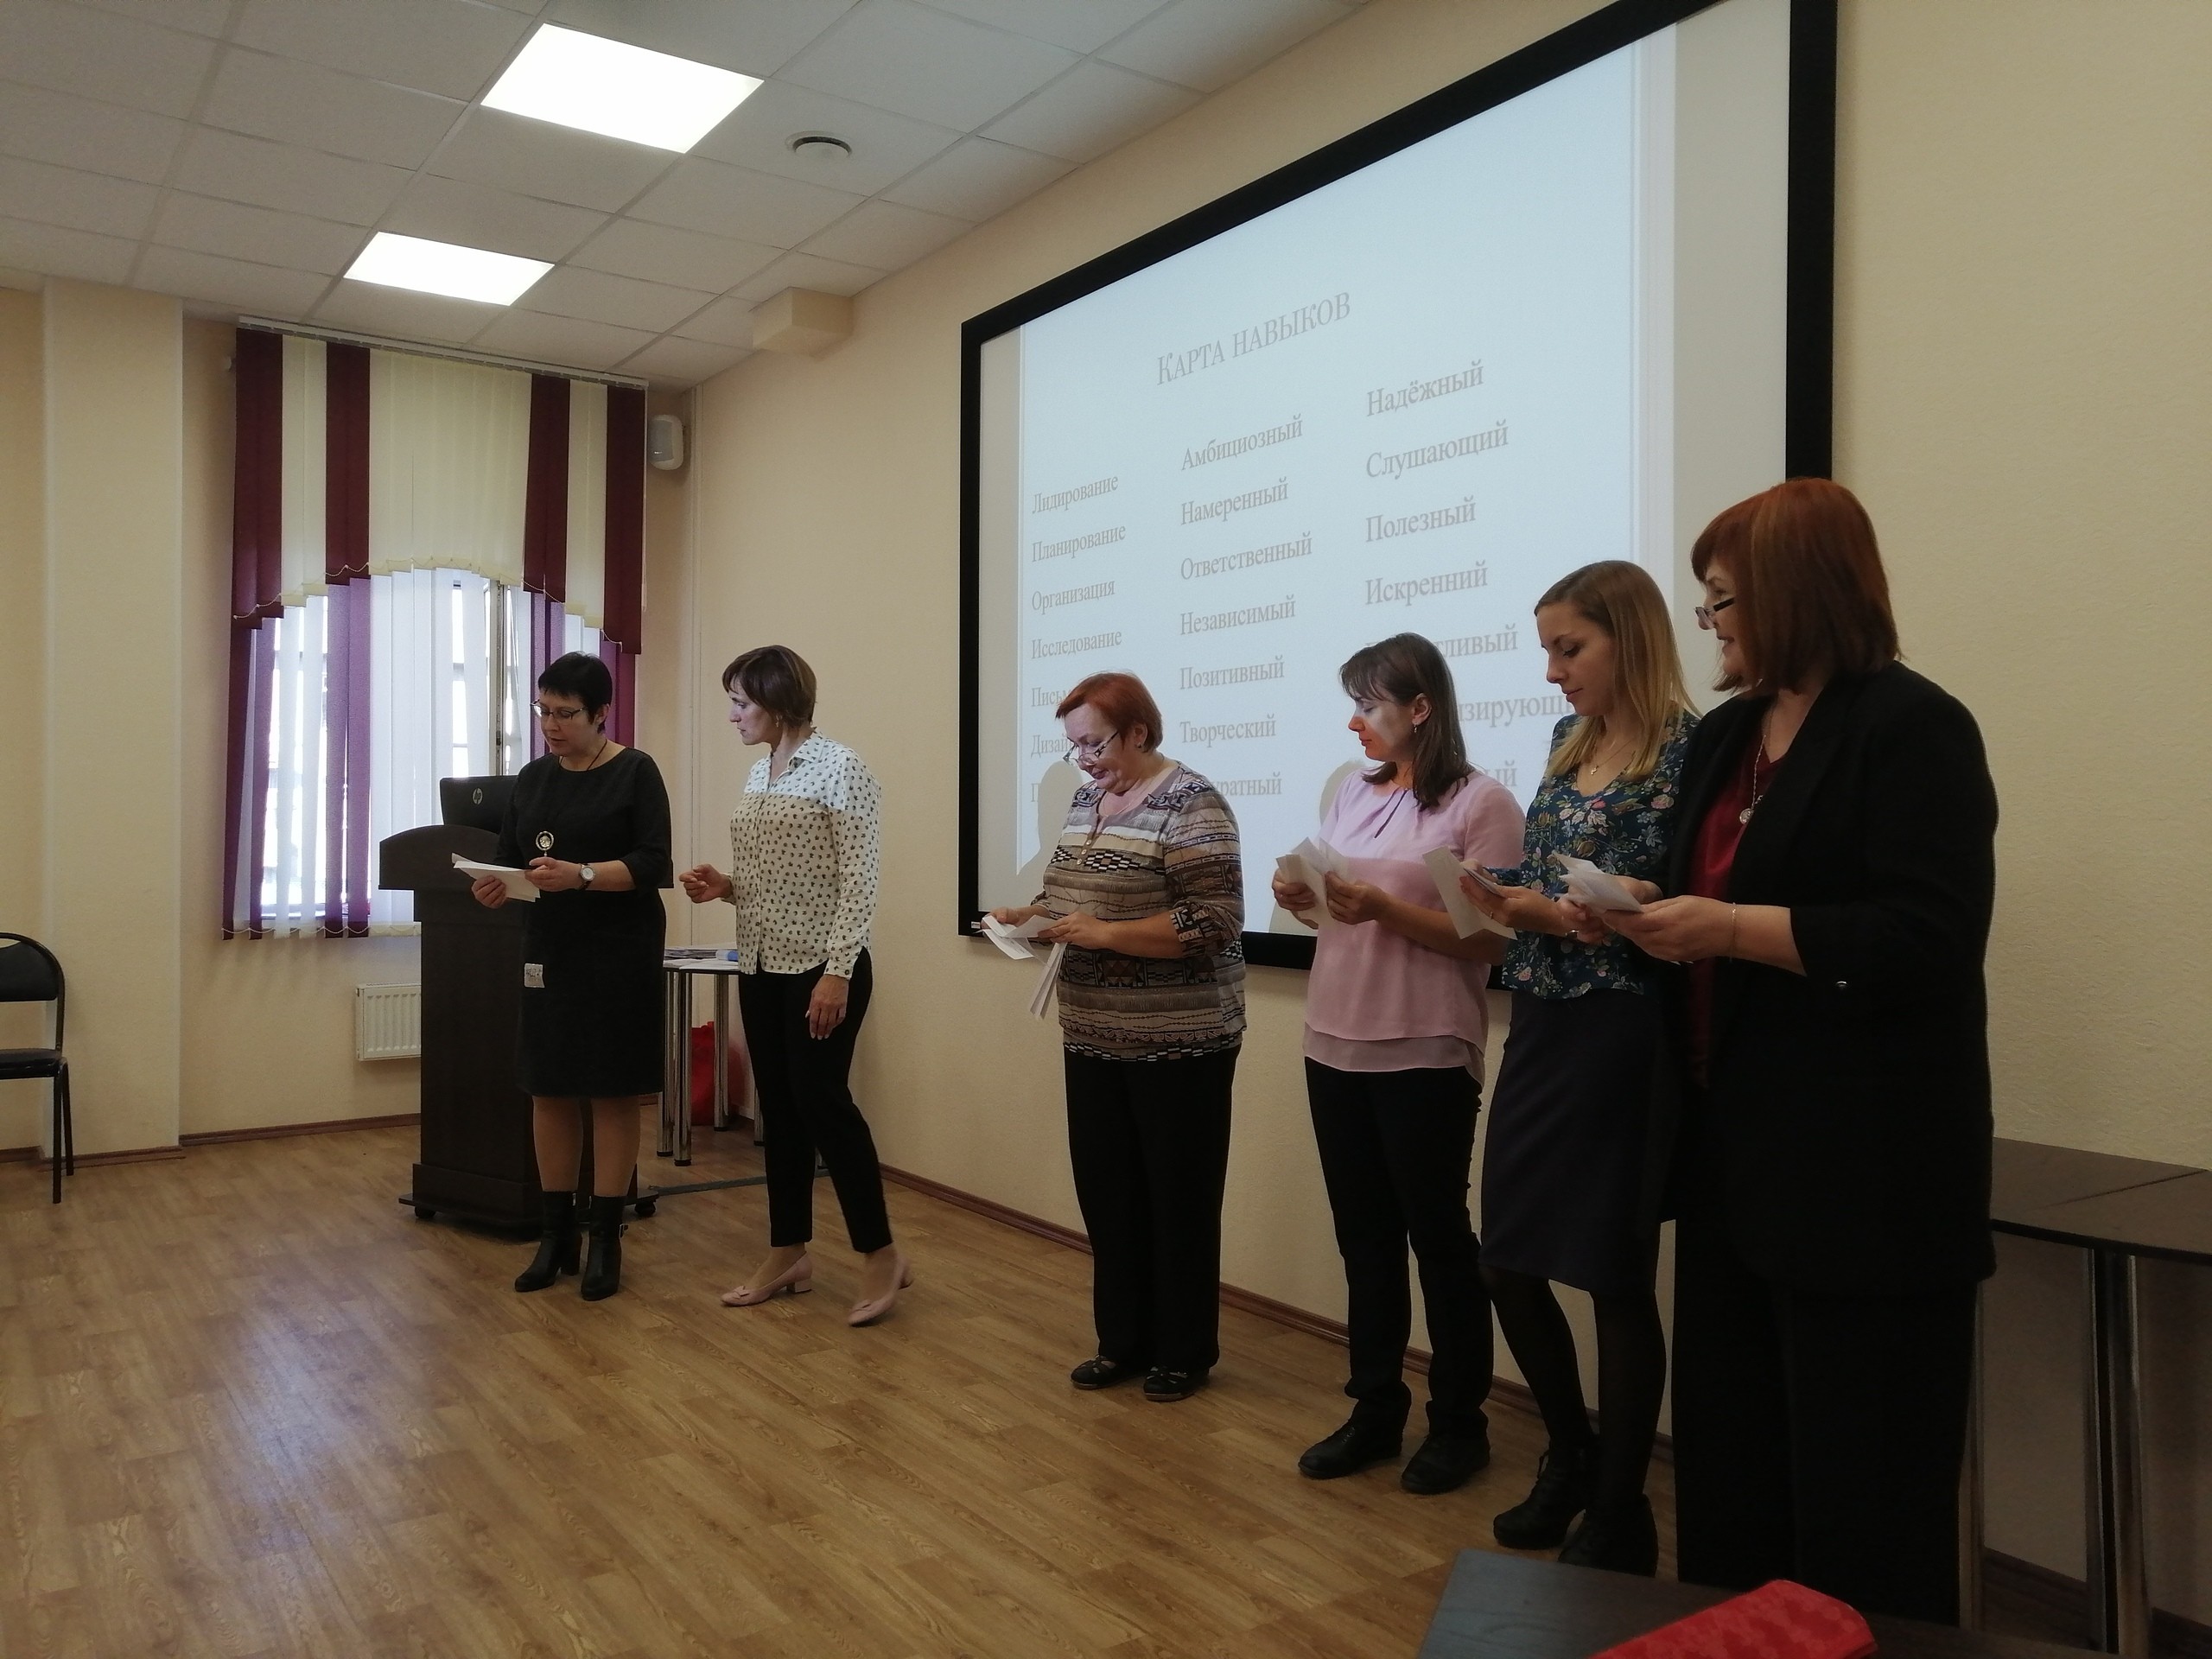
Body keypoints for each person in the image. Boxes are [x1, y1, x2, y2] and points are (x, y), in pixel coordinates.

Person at [1605, 480, 1998, 1621]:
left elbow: (1925, 939)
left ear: (1793, 594)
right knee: (1732, 1483)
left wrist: (1727, 929)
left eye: (1723, 600)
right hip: (1730, 1160)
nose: (1710, 623)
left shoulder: (1911, 727)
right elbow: (1706, 891)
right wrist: (1642, 910)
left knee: (1861, 1502)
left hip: (1864, 1176)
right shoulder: (1727, 734)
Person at [1455, 563, 1696, 1573]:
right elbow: (1556, 877)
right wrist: (1498, 892)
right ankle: (1569, 1451)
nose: (1552, 670)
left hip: (1623, 1029)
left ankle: (1620, 1506)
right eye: (1547, 650)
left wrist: (1581, 909)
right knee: (1504, 1257)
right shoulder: (1569, 740)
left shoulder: (1688, 747)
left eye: (1569, 648)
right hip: (1544, 1016)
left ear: (1627, 638)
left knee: (1610, 1273)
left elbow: (1679, 892)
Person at [1270, 634, 1524, 1495]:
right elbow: (1337, 915)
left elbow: (1491, 942)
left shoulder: (1482, 803)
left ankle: (1459, 1425)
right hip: (1333, 1039)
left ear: (1420, 708)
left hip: (1424, 1048)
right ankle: (1375, 1411)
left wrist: (1382, 907)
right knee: (1365, 1242)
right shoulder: (1354, 789)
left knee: (1439, 1241)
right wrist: (1305, 899)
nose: (1355, 723)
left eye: (1369, 705)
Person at [989, 671, 1244, 1403]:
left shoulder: (1192, 802)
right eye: (1075, 747)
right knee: (1108, 1195)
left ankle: (1183, 1353)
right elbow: (1069, 895)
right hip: (1092, 1033)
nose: (1086, 761)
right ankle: (1123, 1343)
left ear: (1138, 731)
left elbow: (1215, 919)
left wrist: (1107, 933)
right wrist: (1030, 915)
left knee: (1177, 1199)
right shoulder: (1086, 803)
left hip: (1181, 1040)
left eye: (1095, 744)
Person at [679, 646, 909, 1326]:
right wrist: (727, 886)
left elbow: (859, 879)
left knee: (823, 1105)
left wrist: (838, 972)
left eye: (741, 703)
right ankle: (788, 1252)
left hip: (821, 968)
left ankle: (880, 1251)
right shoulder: (761, 771)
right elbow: (780, 876)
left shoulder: (842, 768)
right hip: (760, 963)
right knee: (778, 1111)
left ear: (779, 704)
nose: (732, 716)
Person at [473, 652, 672, 1302]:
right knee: (550, 1089)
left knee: (611, 1093)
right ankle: (556, 1237)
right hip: (550, 949)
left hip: (619, 951)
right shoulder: (533, 778)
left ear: (602, 713)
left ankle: (606, 1237)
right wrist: (496, 886)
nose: (551, 726)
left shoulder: (636, 771)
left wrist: (582, 874)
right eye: (544, 711)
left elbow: (652, 863)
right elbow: (511, 859)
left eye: (566, 714)